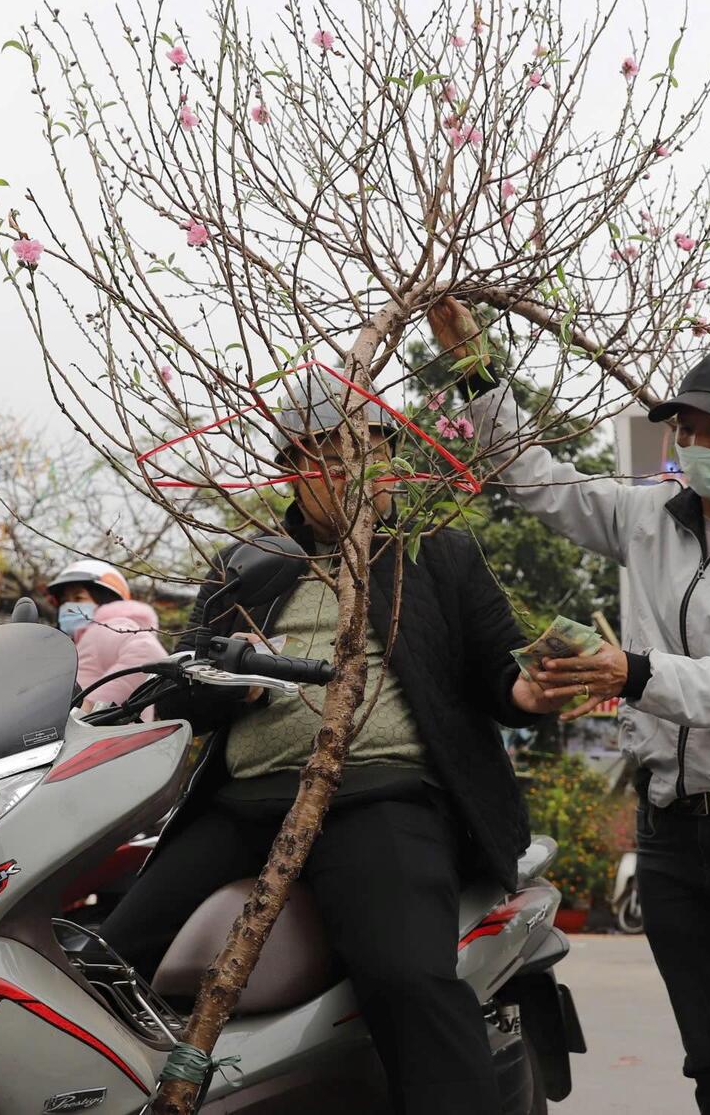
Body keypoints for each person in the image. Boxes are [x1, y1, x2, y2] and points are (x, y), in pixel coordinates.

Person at [432, 299, 710, 1114]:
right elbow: (532, 478)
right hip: (669, 829)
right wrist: (475, 366)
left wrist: (634, 671)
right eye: (688, 429)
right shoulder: (648, 515)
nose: (701, 446)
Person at [99, 373, 565, 1115]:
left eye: (369, 451)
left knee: (405, 974)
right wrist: (231, 680)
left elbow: (501, 667)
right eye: (330, 458)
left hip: (382, 793)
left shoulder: (438, 554)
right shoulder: (246, 565)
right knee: (110, 956)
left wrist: (530, 692)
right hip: (245, 801)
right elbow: (182, 690)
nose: (355, 473)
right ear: (292, 470)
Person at [46, 559, 169, 712]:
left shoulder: (108, 628)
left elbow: (149, 654)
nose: (68, 607)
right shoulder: (83, 640)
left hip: (101, 734)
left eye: (78, 598)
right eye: (64, 601)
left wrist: (91, 707)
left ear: (105, 598)